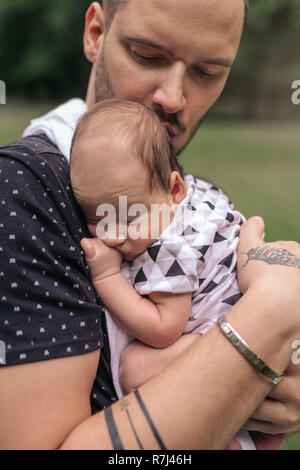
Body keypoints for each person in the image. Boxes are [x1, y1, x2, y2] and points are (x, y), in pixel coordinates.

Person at [0, 0, 300, 450]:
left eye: (207, 72)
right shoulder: (25, 190)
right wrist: (270, 319)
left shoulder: (192, 195)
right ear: (96, 33)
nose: (173, 98)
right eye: (147, 55)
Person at [72, 98, 285, 450]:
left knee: (135, 368)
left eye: (128, 217)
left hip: (233, 330)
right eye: (97, 217)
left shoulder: (168, 246)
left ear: (174, 190)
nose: (111, 234)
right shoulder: (195, 195)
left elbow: (162, 330)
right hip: (261, 326)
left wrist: (108, 276)